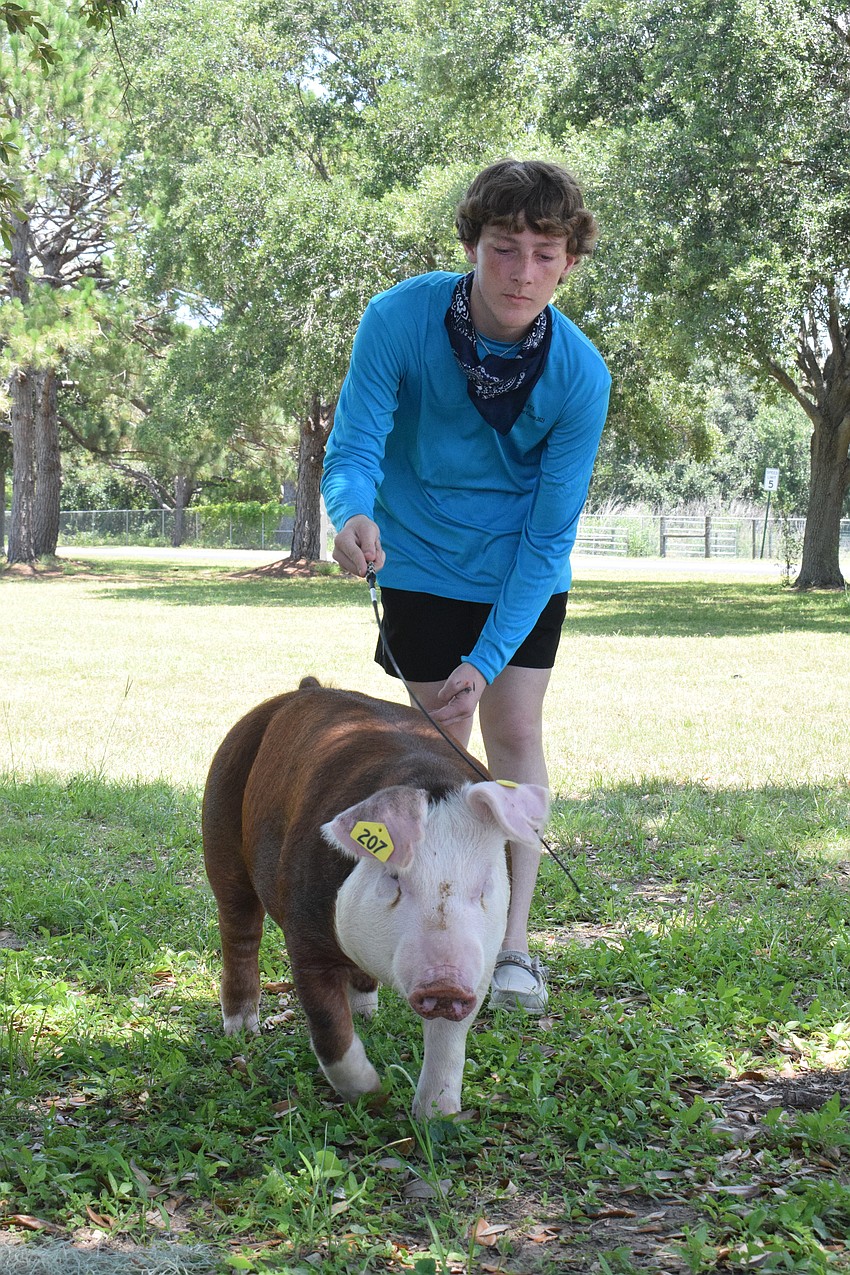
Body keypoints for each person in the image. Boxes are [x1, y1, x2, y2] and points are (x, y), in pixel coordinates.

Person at [321, 158, 610, 1013]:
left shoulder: (581, 374)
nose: (522, 272)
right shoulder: (399, 319)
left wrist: (485, 661)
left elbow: (549, 534)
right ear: (473, 245)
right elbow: (355, 444)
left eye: (544, 253)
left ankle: (512, 942)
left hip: (521, 570)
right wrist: (350, 514)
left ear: (569, 262)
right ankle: (404, 933)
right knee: (436, 751)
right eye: (504, 248)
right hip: (417, 560)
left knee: (512, 733)